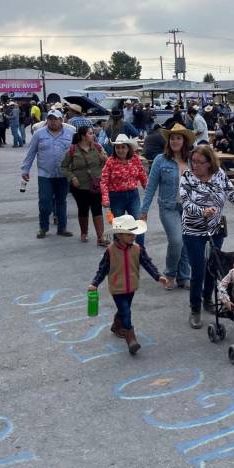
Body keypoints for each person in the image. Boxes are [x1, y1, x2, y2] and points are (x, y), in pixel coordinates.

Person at [181, 144, 234, 329]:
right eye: (193, 162)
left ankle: (207, 299)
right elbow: (186, 203)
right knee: (198, 269)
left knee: (214, 266)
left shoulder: (219, 174)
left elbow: (231, 191)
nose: (195, 166)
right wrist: (202, 211)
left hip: (215, 228)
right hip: (193, 230)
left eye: (200, 162)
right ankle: (194, 308)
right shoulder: (187, 177)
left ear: (210, 163)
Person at [89, 215, 170, 354]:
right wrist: (95, 283)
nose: (133, 236)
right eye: (129, 234)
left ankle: (116, 326)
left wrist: (158, 276)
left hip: (131, 286)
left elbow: (147, 263)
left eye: (134, 233)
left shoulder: (137, 248)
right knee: (126, 312)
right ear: (119, 235)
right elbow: (102, 269)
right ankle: (131, 340)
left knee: (123, 310)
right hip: (117, 288)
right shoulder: (110, 251)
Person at [140, 124, 194, 290]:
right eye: (172, 138)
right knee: (176, 241)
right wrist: (144, 210)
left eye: (178, 138)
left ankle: (184, 276)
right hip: (168, 207)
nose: (175, 141)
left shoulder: (191, 160)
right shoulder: (160, 160)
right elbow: (150, 186)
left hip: (188, 208)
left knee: (186, 242)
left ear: (184, 141)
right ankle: (170, 274)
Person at [21, 109, 75, 238]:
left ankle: (62, 228)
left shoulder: (70, 133)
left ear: (61, 120)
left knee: (61, 202)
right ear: (47, 120)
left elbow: (76, 152)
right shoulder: (39, 134)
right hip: (45, 174)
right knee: (45, 202)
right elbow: (31, 152)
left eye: (55, 119)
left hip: (63, 174)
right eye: (50, 119)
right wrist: (25, 169)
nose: (53, 121)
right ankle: (43, 227)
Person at [60, 125, 109, 246]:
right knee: (83, 209)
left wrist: (105, 159)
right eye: (90, 133)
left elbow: (108, 164)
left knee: (97, 209)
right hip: (79, 186)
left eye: (93, 133)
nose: (93, 135)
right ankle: (84, 233)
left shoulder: (98, 147)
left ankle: (100, 237)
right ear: (83, 136)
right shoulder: (72, 150)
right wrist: (72, 178)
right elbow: (63, 167)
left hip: (96, 185)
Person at [100, 135, 148, 245]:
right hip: (116, 197)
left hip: (133, 195)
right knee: (118, 226)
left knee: (138, 223)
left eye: (123, 147)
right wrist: (105, 199)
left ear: (128, 148)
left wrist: (148, 192)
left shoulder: (135, 159)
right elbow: (104, 181)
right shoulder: (110, 161)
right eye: (118, 147)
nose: (120, 150)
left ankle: (140, 252)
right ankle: (119, 253)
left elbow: (143, 176)